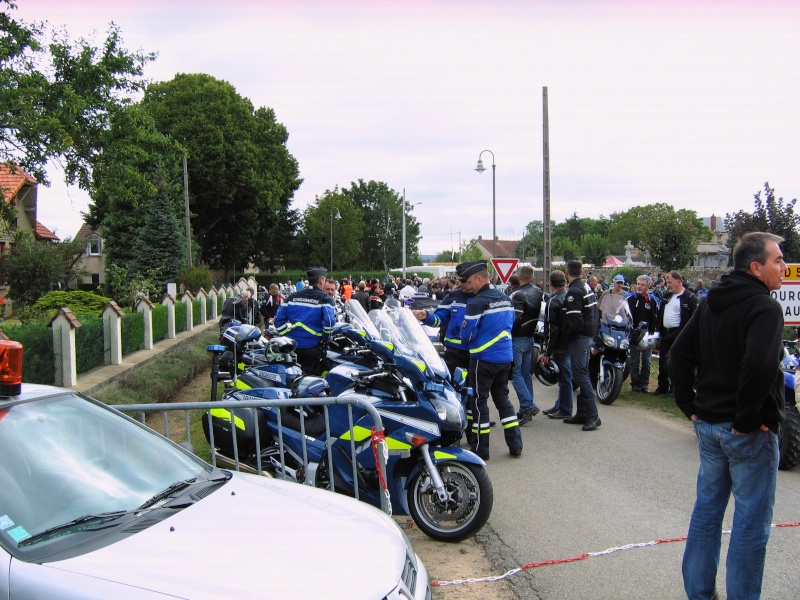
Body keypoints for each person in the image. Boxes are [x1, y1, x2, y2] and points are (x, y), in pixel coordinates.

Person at [670, 232, 786, 600]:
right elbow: (759, 364)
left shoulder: (709, 302)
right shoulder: (764, 308)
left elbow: (679, 355)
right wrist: (748, 417)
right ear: (756, 267)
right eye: (778, 260)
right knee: (750, 527)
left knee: (707, 514)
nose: (784, 266)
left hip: (710, 426)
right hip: (745, 432)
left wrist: (690, 405)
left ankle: (699, 593)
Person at [459, 261, 522, 458]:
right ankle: (516, 445)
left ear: (480, 278)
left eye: (469, 281)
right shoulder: (505, 298)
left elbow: (466, 334)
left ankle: (481, 449)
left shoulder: (477, 302)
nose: (467, 286)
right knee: (503, 400)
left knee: (479, 402)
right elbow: (512, 323)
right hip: (505, 357)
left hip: (482, 358)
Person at [562, 259, 601, 431]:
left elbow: (575, 321)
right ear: (581, 272)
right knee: (581, 373)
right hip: (588, 334)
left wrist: (566, 338)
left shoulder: (574, 292)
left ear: (567, 271)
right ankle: (582, 413)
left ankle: (593, 415)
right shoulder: (586, 287)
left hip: (580, 337)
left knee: (580, 375)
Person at [274, 267, 336, 375]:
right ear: (321, 281)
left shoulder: (292, 297)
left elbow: (278, 320)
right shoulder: (325, 299)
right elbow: (329, 322)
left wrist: (286, 335)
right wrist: (326, 338)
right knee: (309, 382)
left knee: (293, 377)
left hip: (292, 347)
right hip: (313, 347)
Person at [652, 271, 697, 396]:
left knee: (676, 362)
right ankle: (662, 387)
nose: (668, 285)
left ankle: (675, 389)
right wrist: (658, 330)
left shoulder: (690, 297)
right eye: (667, 282)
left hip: (680, 335)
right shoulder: (667, 296)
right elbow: (660, 313)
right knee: (662, 361)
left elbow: (695, 318)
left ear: (679, 281)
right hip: (666, 333)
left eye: (670, 282)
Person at [509, 266, 544, 425]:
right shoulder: (537, 292)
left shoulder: (518, 295)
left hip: (518, 338)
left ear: (519, 277)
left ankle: (527, 405)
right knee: (524, 373)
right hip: (531, 337)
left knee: (515, 374)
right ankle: (526, 407)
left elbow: (515, 318)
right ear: (531, 277)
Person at [541, 270, 573, 419]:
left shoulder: (553, 301)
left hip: (560, 344)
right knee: (563, 376)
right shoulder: (569, 297)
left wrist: (547, 351)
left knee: (565, 377)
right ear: (565, 282)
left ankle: (565, 409)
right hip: (569, 341)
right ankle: (560, 404)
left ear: (550, 283)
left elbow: (552, 328)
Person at [626, 275, 659, 393]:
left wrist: (655, 335)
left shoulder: (653, 300)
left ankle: (644, 384)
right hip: (633, 334)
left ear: (648, 286)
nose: (639, 287)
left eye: (642, 285)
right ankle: (635, 384)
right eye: (638, 284)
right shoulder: (629, 298)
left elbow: (657, 318)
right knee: (634, 361)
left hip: (647, 335)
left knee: (647, 361)